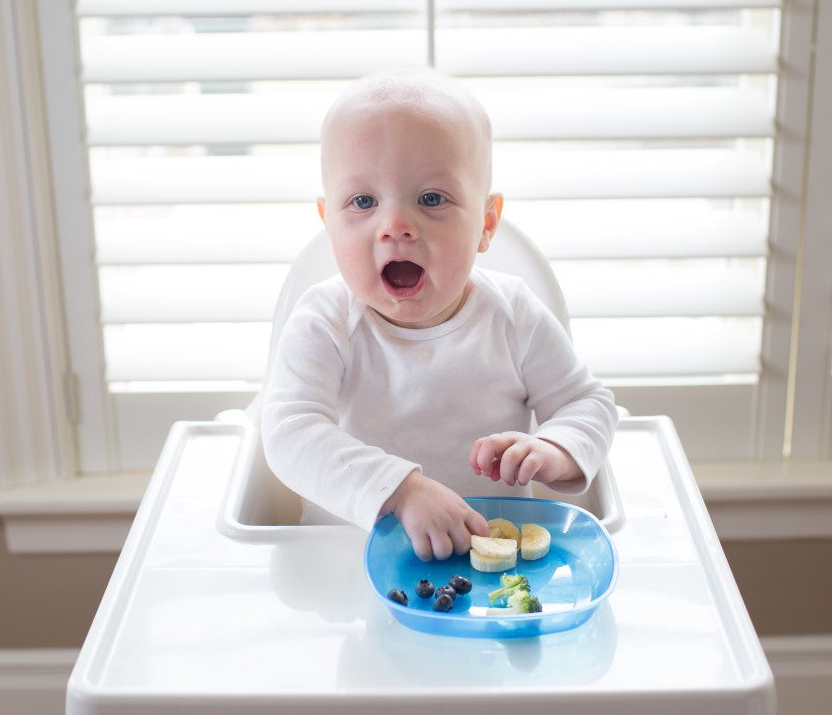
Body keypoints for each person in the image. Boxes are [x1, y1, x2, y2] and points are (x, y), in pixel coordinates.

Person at [261, 69, 618, 561]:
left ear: (486, 224)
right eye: (363, 201)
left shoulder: (512, 316)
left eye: (431, 199)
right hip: (346, 566)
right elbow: (289, 433)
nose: (396, 226)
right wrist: (400, 490)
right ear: (329, 224)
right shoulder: (324, 322)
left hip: (491, 570)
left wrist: (556, 448)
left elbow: (588, 402)